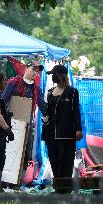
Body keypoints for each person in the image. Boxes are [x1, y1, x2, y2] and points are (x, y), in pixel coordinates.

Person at [42, 64, 82, 193]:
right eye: (52, 74)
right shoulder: (50, 92)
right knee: (54, 159)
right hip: (51, 133)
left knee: (66, 160)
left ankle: (65, 189)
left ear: (62, 75)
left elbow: (76, 111)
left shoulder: (72, 92)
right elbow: (47, 112)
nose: (53, 77)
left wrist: (78, 129)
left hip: (67, 132)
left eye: (55, 74)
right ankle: (58, 187)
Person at [2, 60, 46, 175]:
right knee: (10, 150)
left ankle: (20, 180)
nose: (35, 73)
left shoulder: (36, 88)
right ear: (26, 68)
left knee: (25, 152)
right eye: (33, 69)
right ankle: (5, 178)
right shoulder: (14, 82)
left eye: (37, 71)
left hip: (27, 125)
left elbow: (43, 106)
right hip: (11, 123)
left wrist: (51, 115)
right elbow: (3, 100)